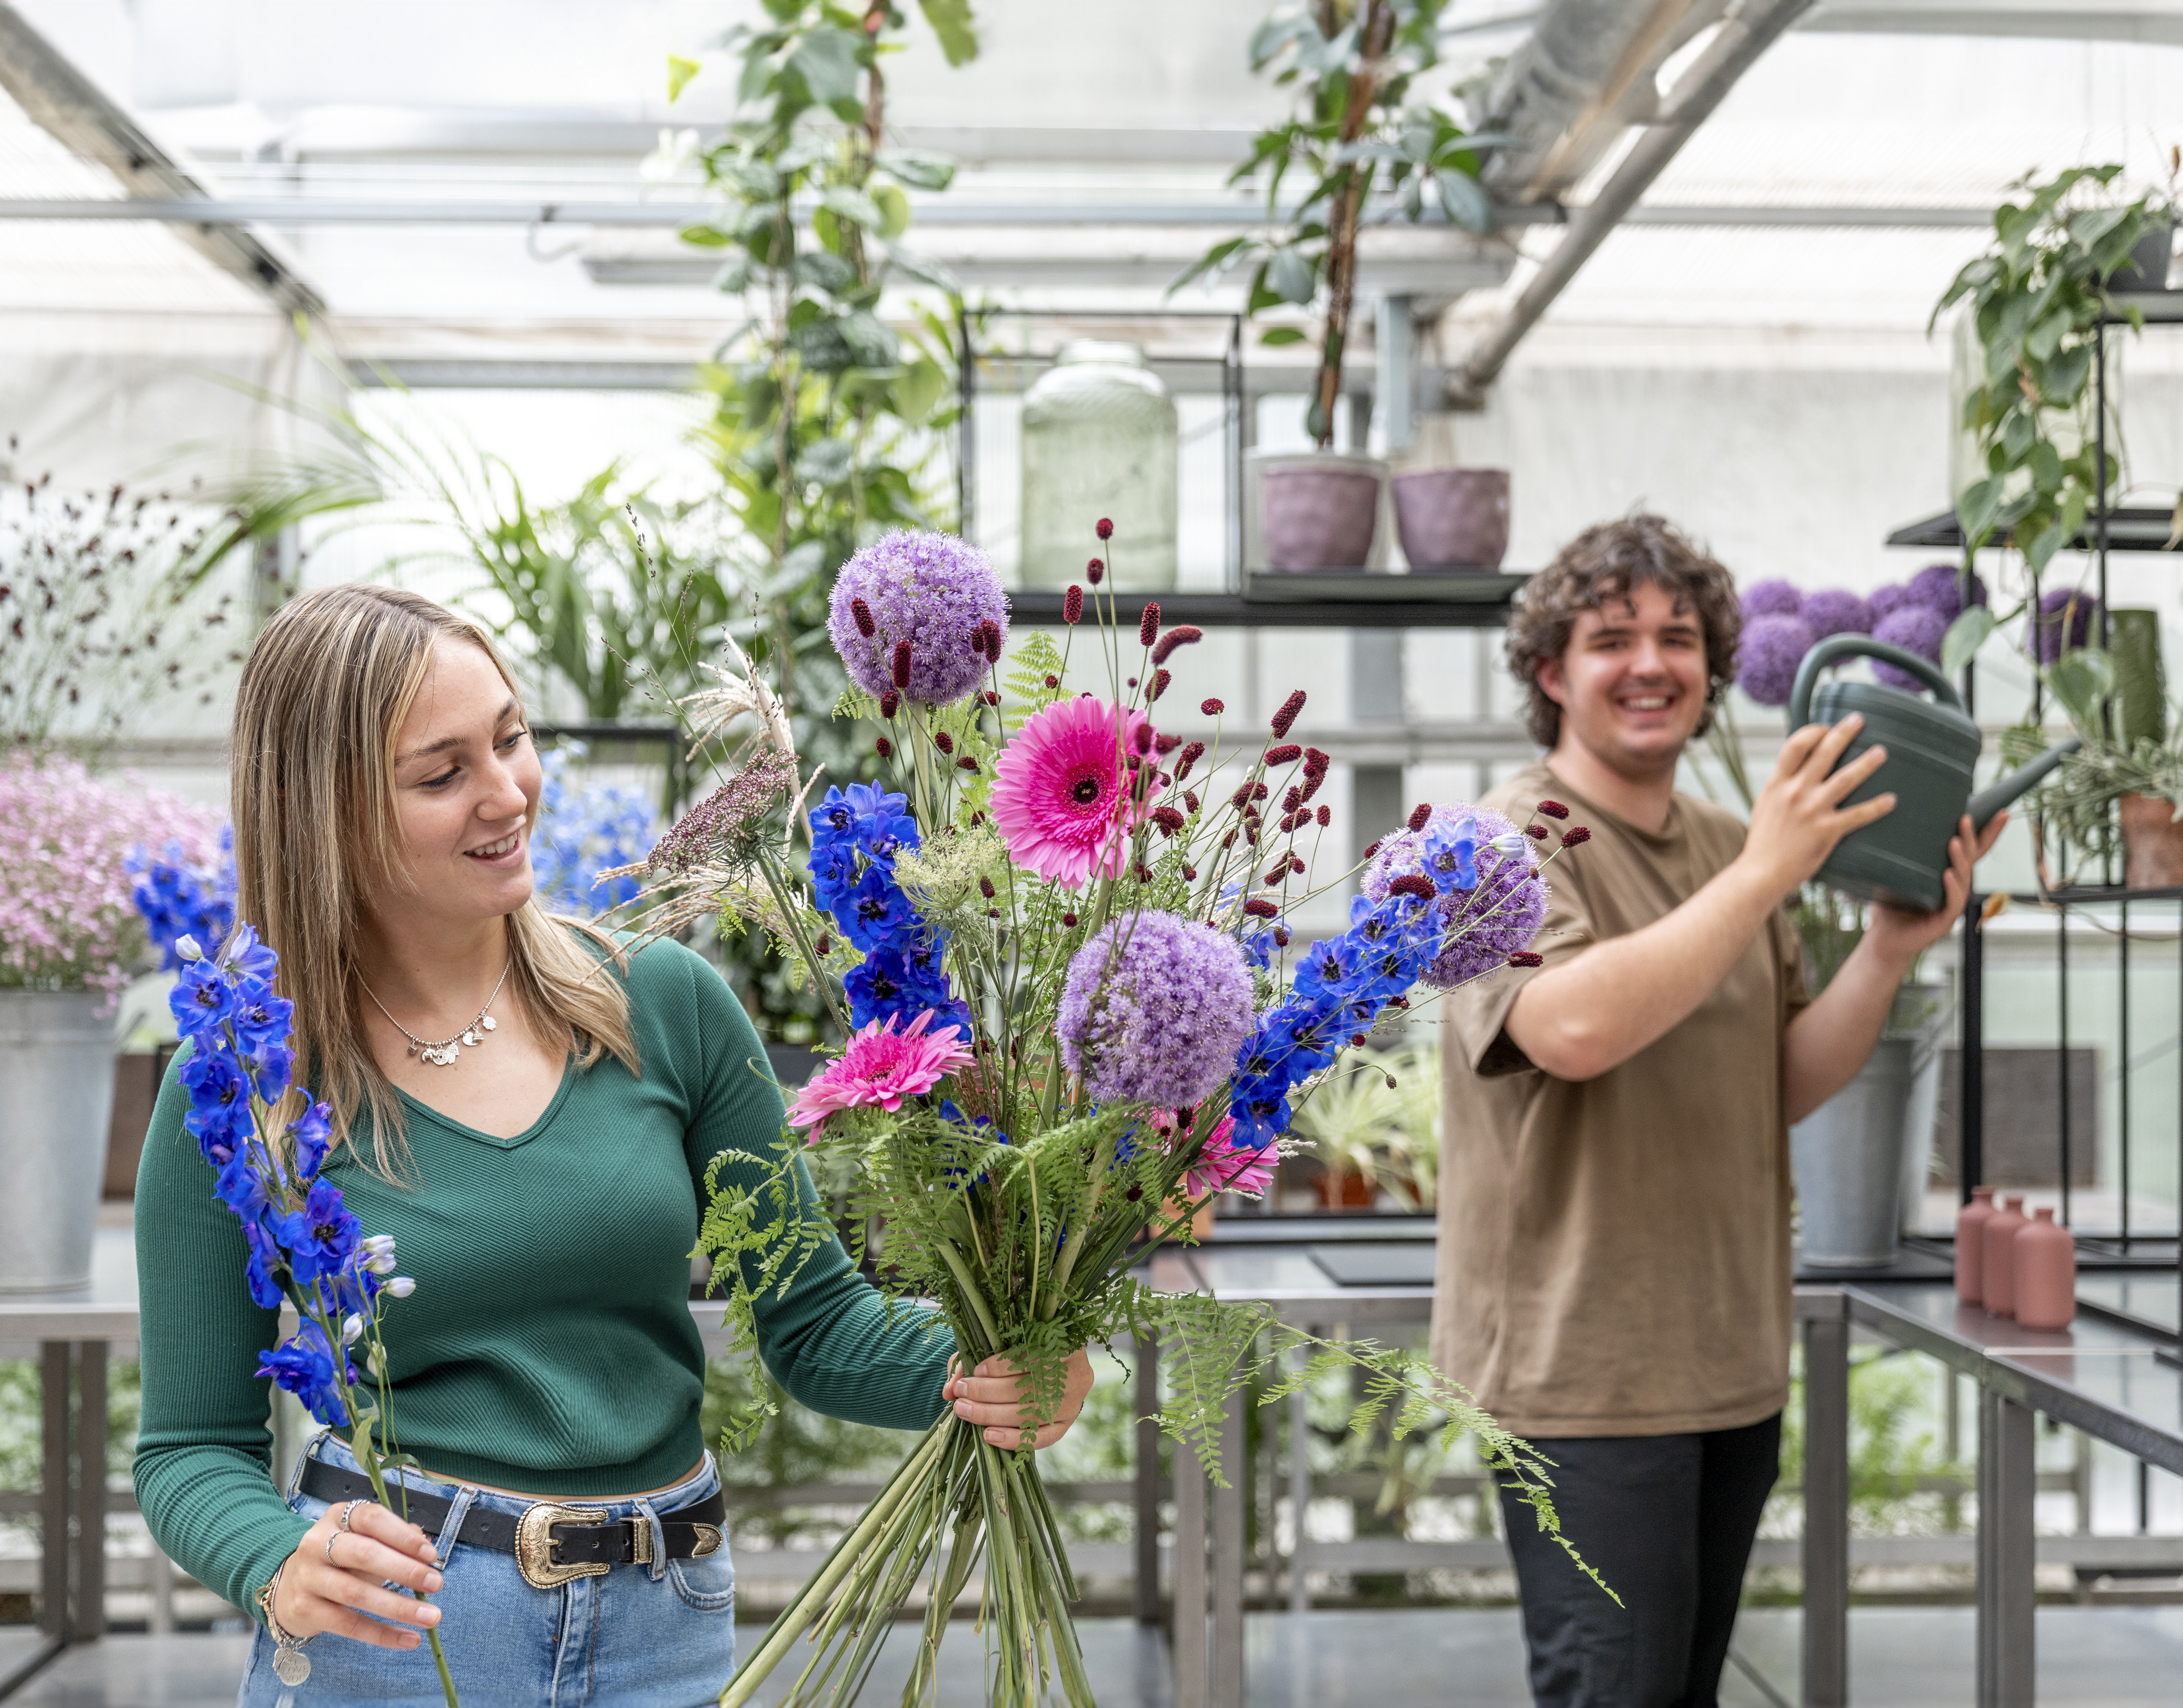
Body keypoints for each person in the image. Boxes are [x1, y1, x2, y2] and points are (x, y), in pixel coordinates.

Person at [133, 584, 1092, 1705]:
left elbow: (814, 1318)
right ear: (324, 812)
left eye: (511, 738)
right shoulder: (249, 1081)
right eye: (442, 774)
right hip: (405, 1641)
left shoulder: (666, 1004)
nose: (507, 794)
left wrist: (979, 1365)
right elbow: (190, 1447)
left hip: (669, 1625)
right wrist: (278, 1558)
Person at [1433, 517, 1999, 1708]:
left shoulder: (1728, 841)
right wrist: (1763, 877)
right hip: (1578, 1374)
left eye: (1678, 637)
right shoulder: (1500, 837)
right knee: (1615, 1693)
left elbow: (1779, 1081)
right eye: (1610, 638)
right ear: (1550, 672)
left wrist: (1890, 953)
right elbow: (1568, 1028)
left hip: (1725, 1359)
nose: (1651, 662)